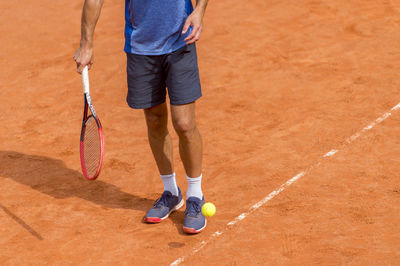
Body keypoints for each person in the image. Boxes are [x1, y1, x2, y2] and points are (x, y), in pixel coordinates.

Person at [74, 0, 209, 234]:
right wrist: (86, 43)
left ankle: (195, 195)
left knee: (184, 123)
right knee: (155, 120)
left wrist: (199, 11)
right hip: (141, 47)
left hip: (181, 40)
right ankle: (171, 193)